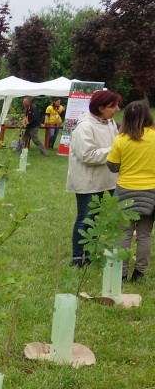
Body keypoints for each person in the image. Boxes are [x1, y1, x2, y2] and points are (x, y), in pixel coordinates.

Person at [66, 90, 122, 267]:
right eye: (114, 106)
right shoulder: (85, 126)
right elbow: (87, 155)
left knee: (97, 219)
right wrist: (115, 152)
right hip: (88, 182)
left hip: (106, 181)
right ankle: (77, 257)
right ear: (101, 108)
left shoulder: (110, 123)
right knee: (85, 219)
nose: (118, 109)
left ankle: (90, 254)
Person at [106, 101, 155, 281]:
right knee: (144, 235)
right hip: (151, 193)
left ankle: (122, 272)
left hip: (125, 191)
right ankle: (139, 272)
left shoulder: (121, 139)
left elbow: (112, 166)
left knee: (124, 235)